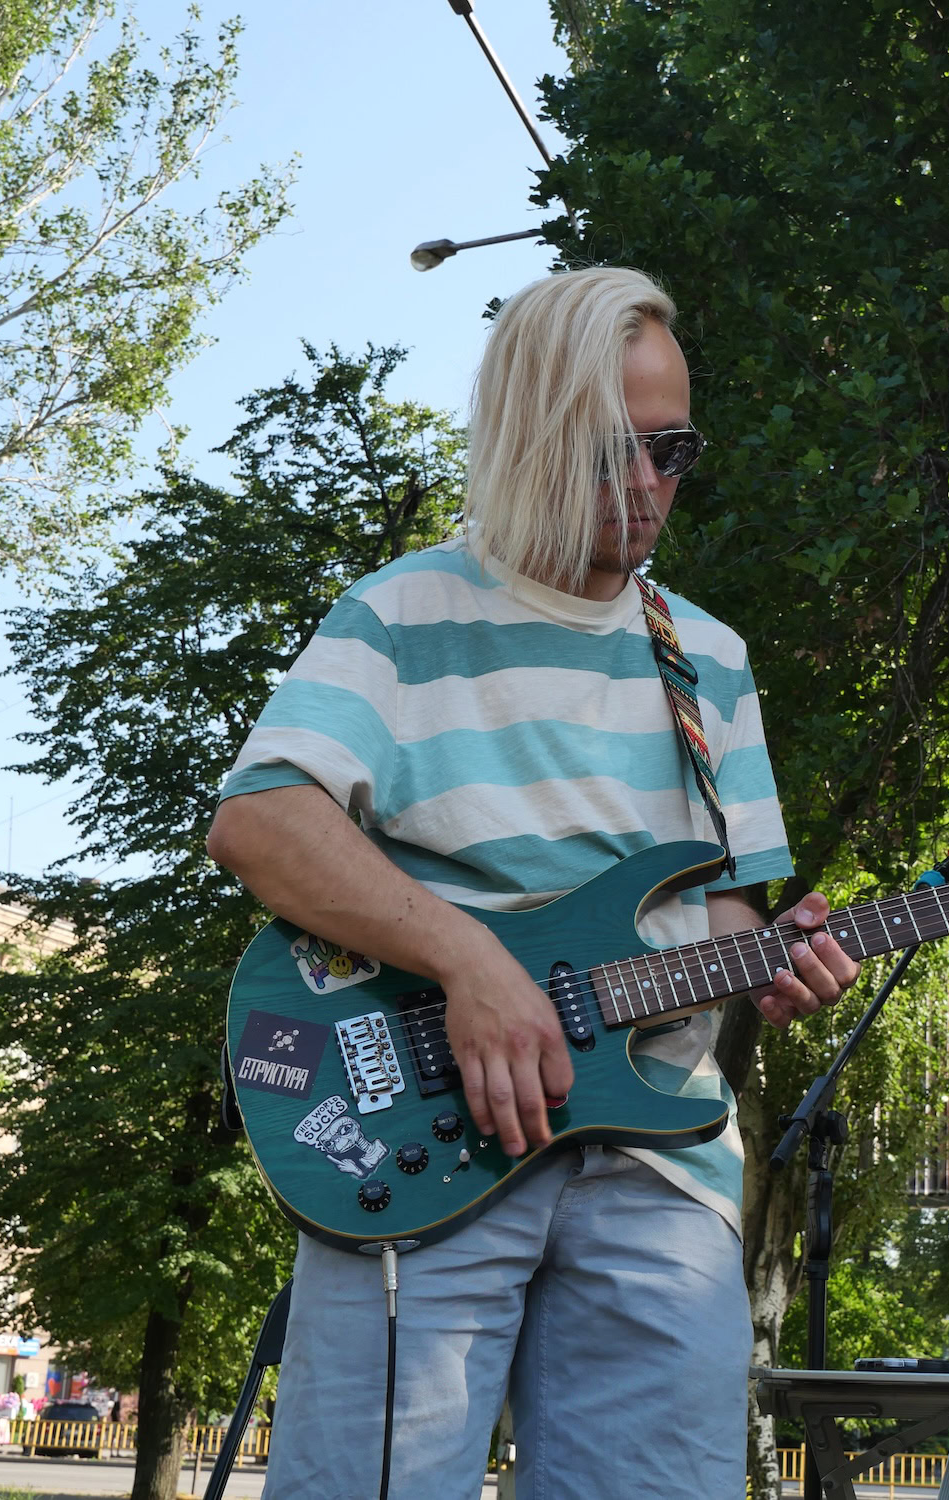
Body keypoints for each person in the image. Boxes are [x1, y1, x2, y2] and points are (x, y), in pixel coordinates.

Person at [206, 266, 861, 1499]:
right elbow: (260, 821)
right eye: (622, 449)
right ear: (532, 433)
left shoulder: (707, 659)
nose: (654, 482)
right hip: (422, 1147)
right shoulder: (401, 612)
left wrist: (773, 959)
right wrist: (471, 964)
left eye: (675, 448)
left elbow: (723, 913)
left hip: (659, 1170)